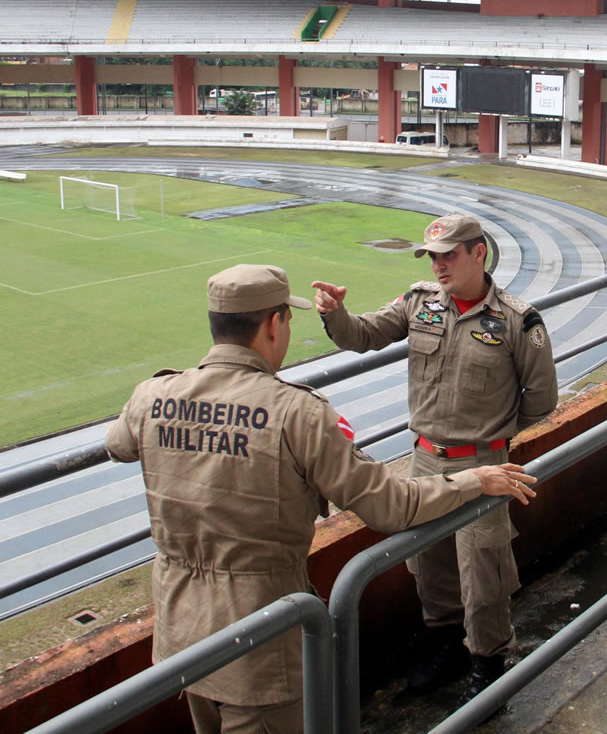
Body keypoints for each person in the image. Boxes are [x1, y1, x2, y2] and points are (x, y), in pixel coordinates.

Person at [104, 264, 537, 734]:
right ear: (274, 324)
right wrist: (474, 481)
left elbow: (119, 444)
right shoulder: (298, 413)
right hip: (260, 640)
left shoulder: (153, 395)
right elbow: (391, 506)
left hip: (180, 635)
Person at [313, 213, 558, 706]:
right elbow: (361, 335)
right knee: (431, 566)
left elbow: (542, 398)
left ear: (478, 252)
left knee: (482, 573)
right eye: (433, 257)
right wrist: (334, 313)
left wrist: (494, 438)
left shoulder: (517, 320)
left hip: (484, 465)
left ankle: (489, 667)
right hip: (424, 462)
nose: (440, 265)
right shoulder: (419, 303)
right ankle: (447, 648)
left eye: (449, 255)